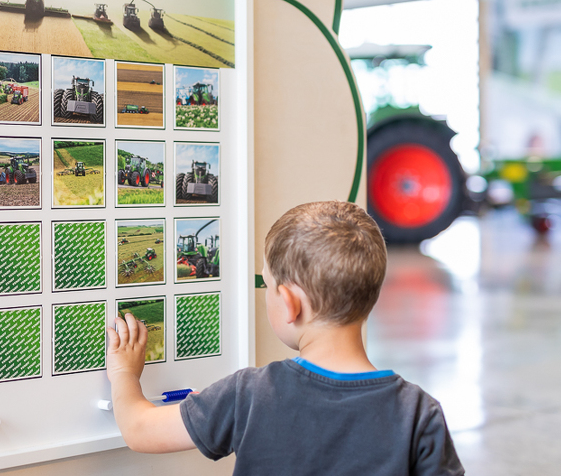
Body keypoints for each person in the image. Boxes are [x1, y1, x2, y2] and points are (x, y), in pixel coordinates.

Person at [106, 201, 465, 475]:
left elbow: (139, 430)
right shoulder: (419, 413)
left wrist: (124, 373)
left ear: (290, 303)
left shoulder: (249, 395)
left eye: (267, 285)